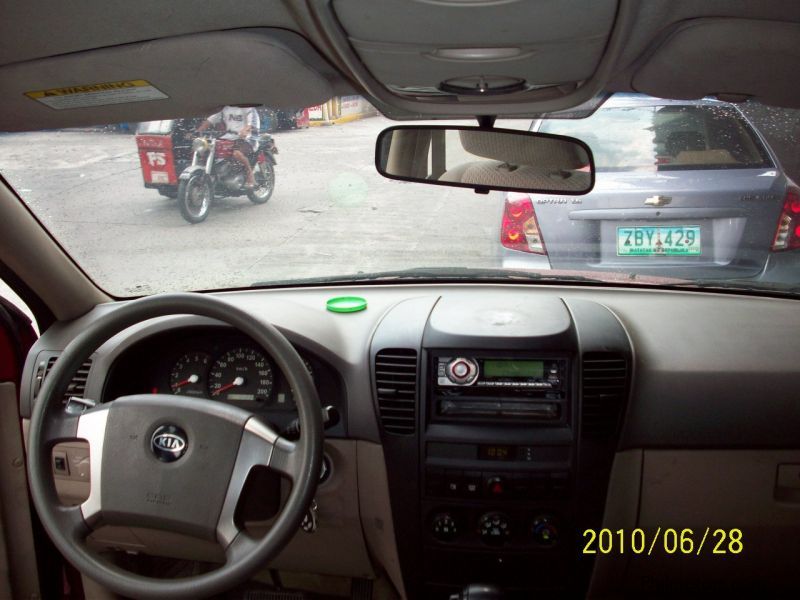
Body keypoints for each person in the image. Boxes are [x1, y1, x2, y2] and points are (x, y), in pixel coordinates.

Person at [197, 106, 260, 188]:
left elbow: (252, 123)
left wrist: (246, 130)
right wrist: (199, 131)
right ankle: (218, 174)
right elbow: (211, 120)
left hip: (248, 137)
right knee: (208, 149)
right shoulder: (225, 107)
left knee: (237, 153)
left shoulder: (248, 107)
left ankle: (250, 175)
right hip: (229, 135)